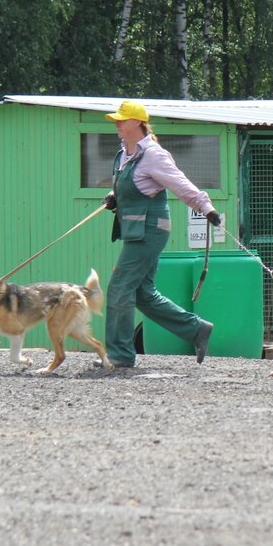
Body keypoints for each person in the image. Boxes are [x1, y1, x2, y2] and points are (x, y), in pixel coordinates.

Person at [101, 99, 220, 368]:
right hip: (135, 229)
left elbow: (180, 183)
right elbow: (131, 186)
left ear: (136, 123)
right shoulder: (123, 154)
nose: (117, 124)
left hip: (151, 230)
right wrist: (113, 196)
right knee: (142, 294)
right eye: (116, 119)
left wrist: (206, 208)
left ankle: (119, 356)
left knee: (119, 287)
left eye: (121, 119)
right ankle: (197, 329)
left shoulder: (153, 154)